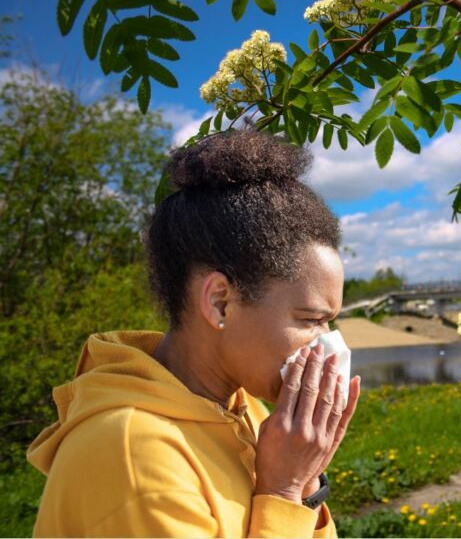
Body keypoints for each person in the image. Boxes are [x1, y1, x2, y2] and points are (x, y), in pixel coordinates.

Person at [27, 129, 360, 537]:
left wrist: (306, 483)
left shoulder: (247, 409)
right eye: (310, 319)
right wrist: (283, 490)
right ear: (220, 302)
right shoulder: (134, 452)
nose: (327, 343)